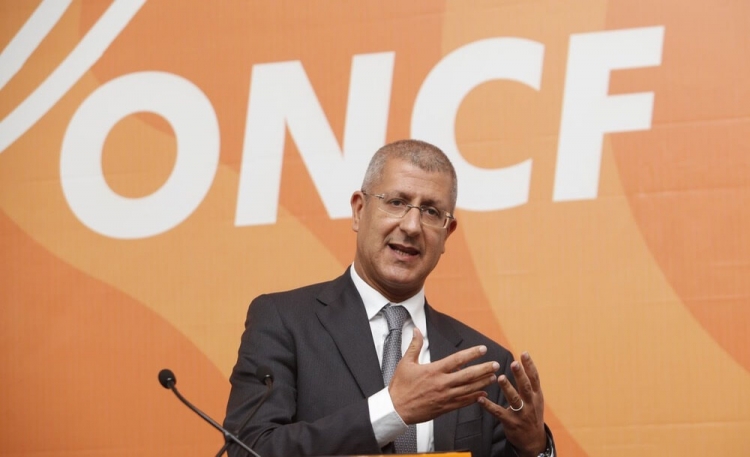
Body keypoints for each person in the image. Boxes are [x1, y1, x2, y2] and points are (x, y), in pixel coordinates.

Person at [224, 139, 555, 457]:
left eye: (431, 211)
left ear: (447, 234)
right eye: (396, 202)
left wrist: (535, 448)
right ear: (359, 210)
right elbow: (249, 449)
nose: (412, 226)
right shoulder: (283, 322)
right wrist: (391, 409)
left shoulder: (484, 364)